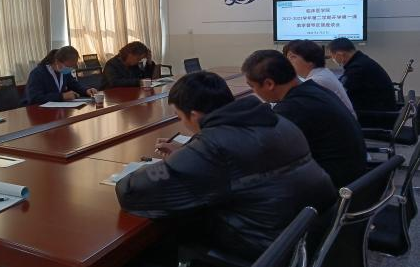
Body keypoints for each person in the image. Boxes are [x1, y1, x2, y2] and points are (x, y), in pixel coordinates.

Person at [116, 72, 336, 261]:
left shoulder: (213, 146)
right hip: (308, 234)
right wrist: (188, 152)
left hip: (265, 246)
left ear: (194, 115)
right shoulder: (276, 120)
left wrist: (154, 167)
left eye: (179, 116)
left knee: (160, 241)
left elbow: (134, 190)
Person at [242, 50, 366, 188]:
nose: (254, 92)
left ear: (269, 84)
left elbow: (264, 154)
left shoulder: (292, 108)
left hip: (333, 188)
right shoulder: (314, 90)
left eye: (252, 86)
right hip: (357, 180)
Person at [283, 40, 356, 118]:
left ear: (310, 60)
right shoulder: (322, 73)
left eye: (292, 57)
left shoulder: (318, 81)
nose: (288, 62)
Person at [327, 37, 397, 114]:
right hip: (379, 109)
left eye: (332, 56)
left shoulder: (357, 68)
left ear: (340, 55)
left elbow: (341, 91)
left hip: (375, 115)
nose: (333, 59)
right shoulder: (361, 61)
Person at [24, 46, 97, 105]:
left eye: (72, 66)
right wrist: (62, 96)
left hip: (58, 109)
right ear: (57, 61)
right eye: (68, 66)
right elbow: (34, 98)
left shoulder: (64, 72)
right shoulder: (37, 74)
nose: (70, 69)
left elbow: (74, 85)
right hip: (37, 111)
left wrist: (86, 90)